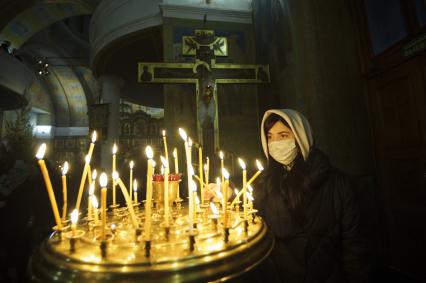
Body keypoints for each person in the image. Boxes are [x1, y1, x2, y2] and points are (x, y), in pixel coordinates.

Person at [252, 109, 370, 283]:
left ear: (301, 136)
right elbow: (249, 219)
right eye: (270, 137)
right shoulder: (264, 183)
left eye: (283, 135)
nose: (275, 143)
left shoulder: (338, 183)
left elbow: (353, 244)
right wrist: (228, 195)